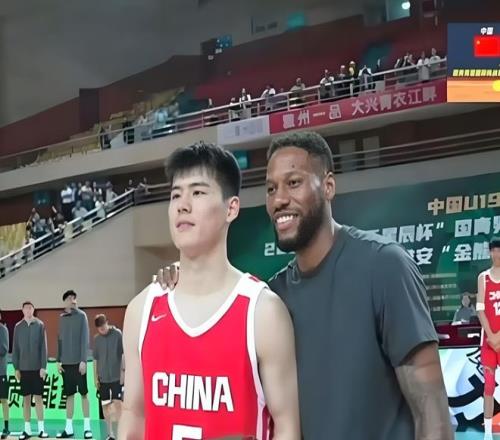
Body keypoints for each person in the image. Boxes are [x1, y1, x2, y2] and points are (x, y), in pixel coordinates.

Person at [157, 132, 453, 439]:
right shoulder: (273, 297)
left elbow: (431, 407)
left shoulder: (383, 266)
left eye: (294, 182)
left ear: (328, 186)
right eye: (271, 188)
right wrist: (184, 277)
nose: (279, 199)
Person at [119, 142, 300, 440]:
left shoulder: (263, 312)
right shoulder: (141, 310)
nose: (183, 205)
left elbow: (287, 426)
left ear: (231, 208)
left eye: (198, 193)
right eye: (176, 194)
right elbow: (134, 413)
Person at [56, 290, 92, 439]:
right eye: (69, 298)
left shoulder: (82, 316)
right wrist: (58, 360)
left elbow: (85, 339)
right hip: (66, 363)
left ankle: (87, 428)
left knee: (84, 394)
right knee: (69, 395)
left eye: (74, 298)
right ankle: (69, 428)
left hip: (79, 363)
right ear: (65, 302)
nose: (72, 300)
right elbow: (60, 340)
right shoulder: (62, 318)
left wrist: (83, 360)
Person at [12, 302, 50, 439]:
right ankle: (27, 430)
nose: (28, 310)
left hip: (37, 369)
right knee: (26, 399)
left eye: (30, 308)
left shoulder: (40, 325)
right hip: (23, 369)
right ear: (22, 310)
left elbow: (44, 348)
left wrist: (43, 367)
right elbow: (15, 349)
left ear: (33, 309)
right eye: (26, 308)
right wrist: (16, 368)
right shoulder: (18, 327)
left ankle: (41, 430)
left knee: (39, 398)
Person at [476, 237, 500, 440]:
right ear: (490, 252)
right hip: (488, 342)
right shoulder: (483, 278)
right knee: (489, 385)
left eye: (499, 250)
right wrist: (492, 336)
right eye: (493, 250)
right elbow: (480, 309)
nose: (496, 254)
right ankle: (487, 433)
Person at [93, 314, 124, 440]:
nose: (102, 330)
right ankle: (110, 433)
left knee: (118, 404)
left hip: (116, 377)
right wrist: (95, 377)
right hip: (103, 379)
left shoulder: (117, 334)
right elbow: (95, 359)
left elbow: (123, 355)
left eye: (103, 327)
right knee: (105, 405)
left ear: (107, 322)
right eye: (100, 329)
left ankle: (121, 433)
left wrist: (123, 373)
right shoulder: (97, 339)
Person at [0, 311, 9, 439]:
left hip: (1, 371)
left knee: (3, 399)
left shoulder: (3, 329)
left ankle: (6, 428)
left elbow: (4, 349)